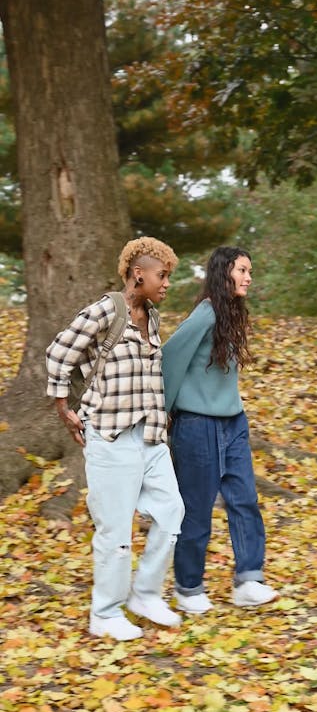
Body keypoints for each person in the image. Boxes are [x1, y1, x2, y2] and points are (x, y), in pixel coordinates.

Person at [46, 237, 185, 641]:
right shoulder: (106, 309)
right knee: (115, 530)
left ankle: (144, 594)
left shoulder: (152, 316)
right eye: (162, 275)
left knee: (171, 513)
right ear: (137, 273)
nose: (167, 283)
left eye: (169, 277)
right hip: (111, 436)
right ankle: (105, 613)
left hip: (152, 436)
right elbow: (58, 353)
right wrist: (62, 407)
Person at [161, 246, 279, 614]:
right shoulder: (207, 312)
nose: (248, 277)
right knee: (196, 508)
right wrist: (162, 415)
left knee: (244, 499)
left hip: (233, 422)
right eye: (242, 270)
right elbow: (169, 358)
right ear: (223, 271)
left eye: (249, 271)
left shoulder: (231, 313)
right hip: (197, 425)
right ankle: (188, 587)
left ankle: (249, 580)